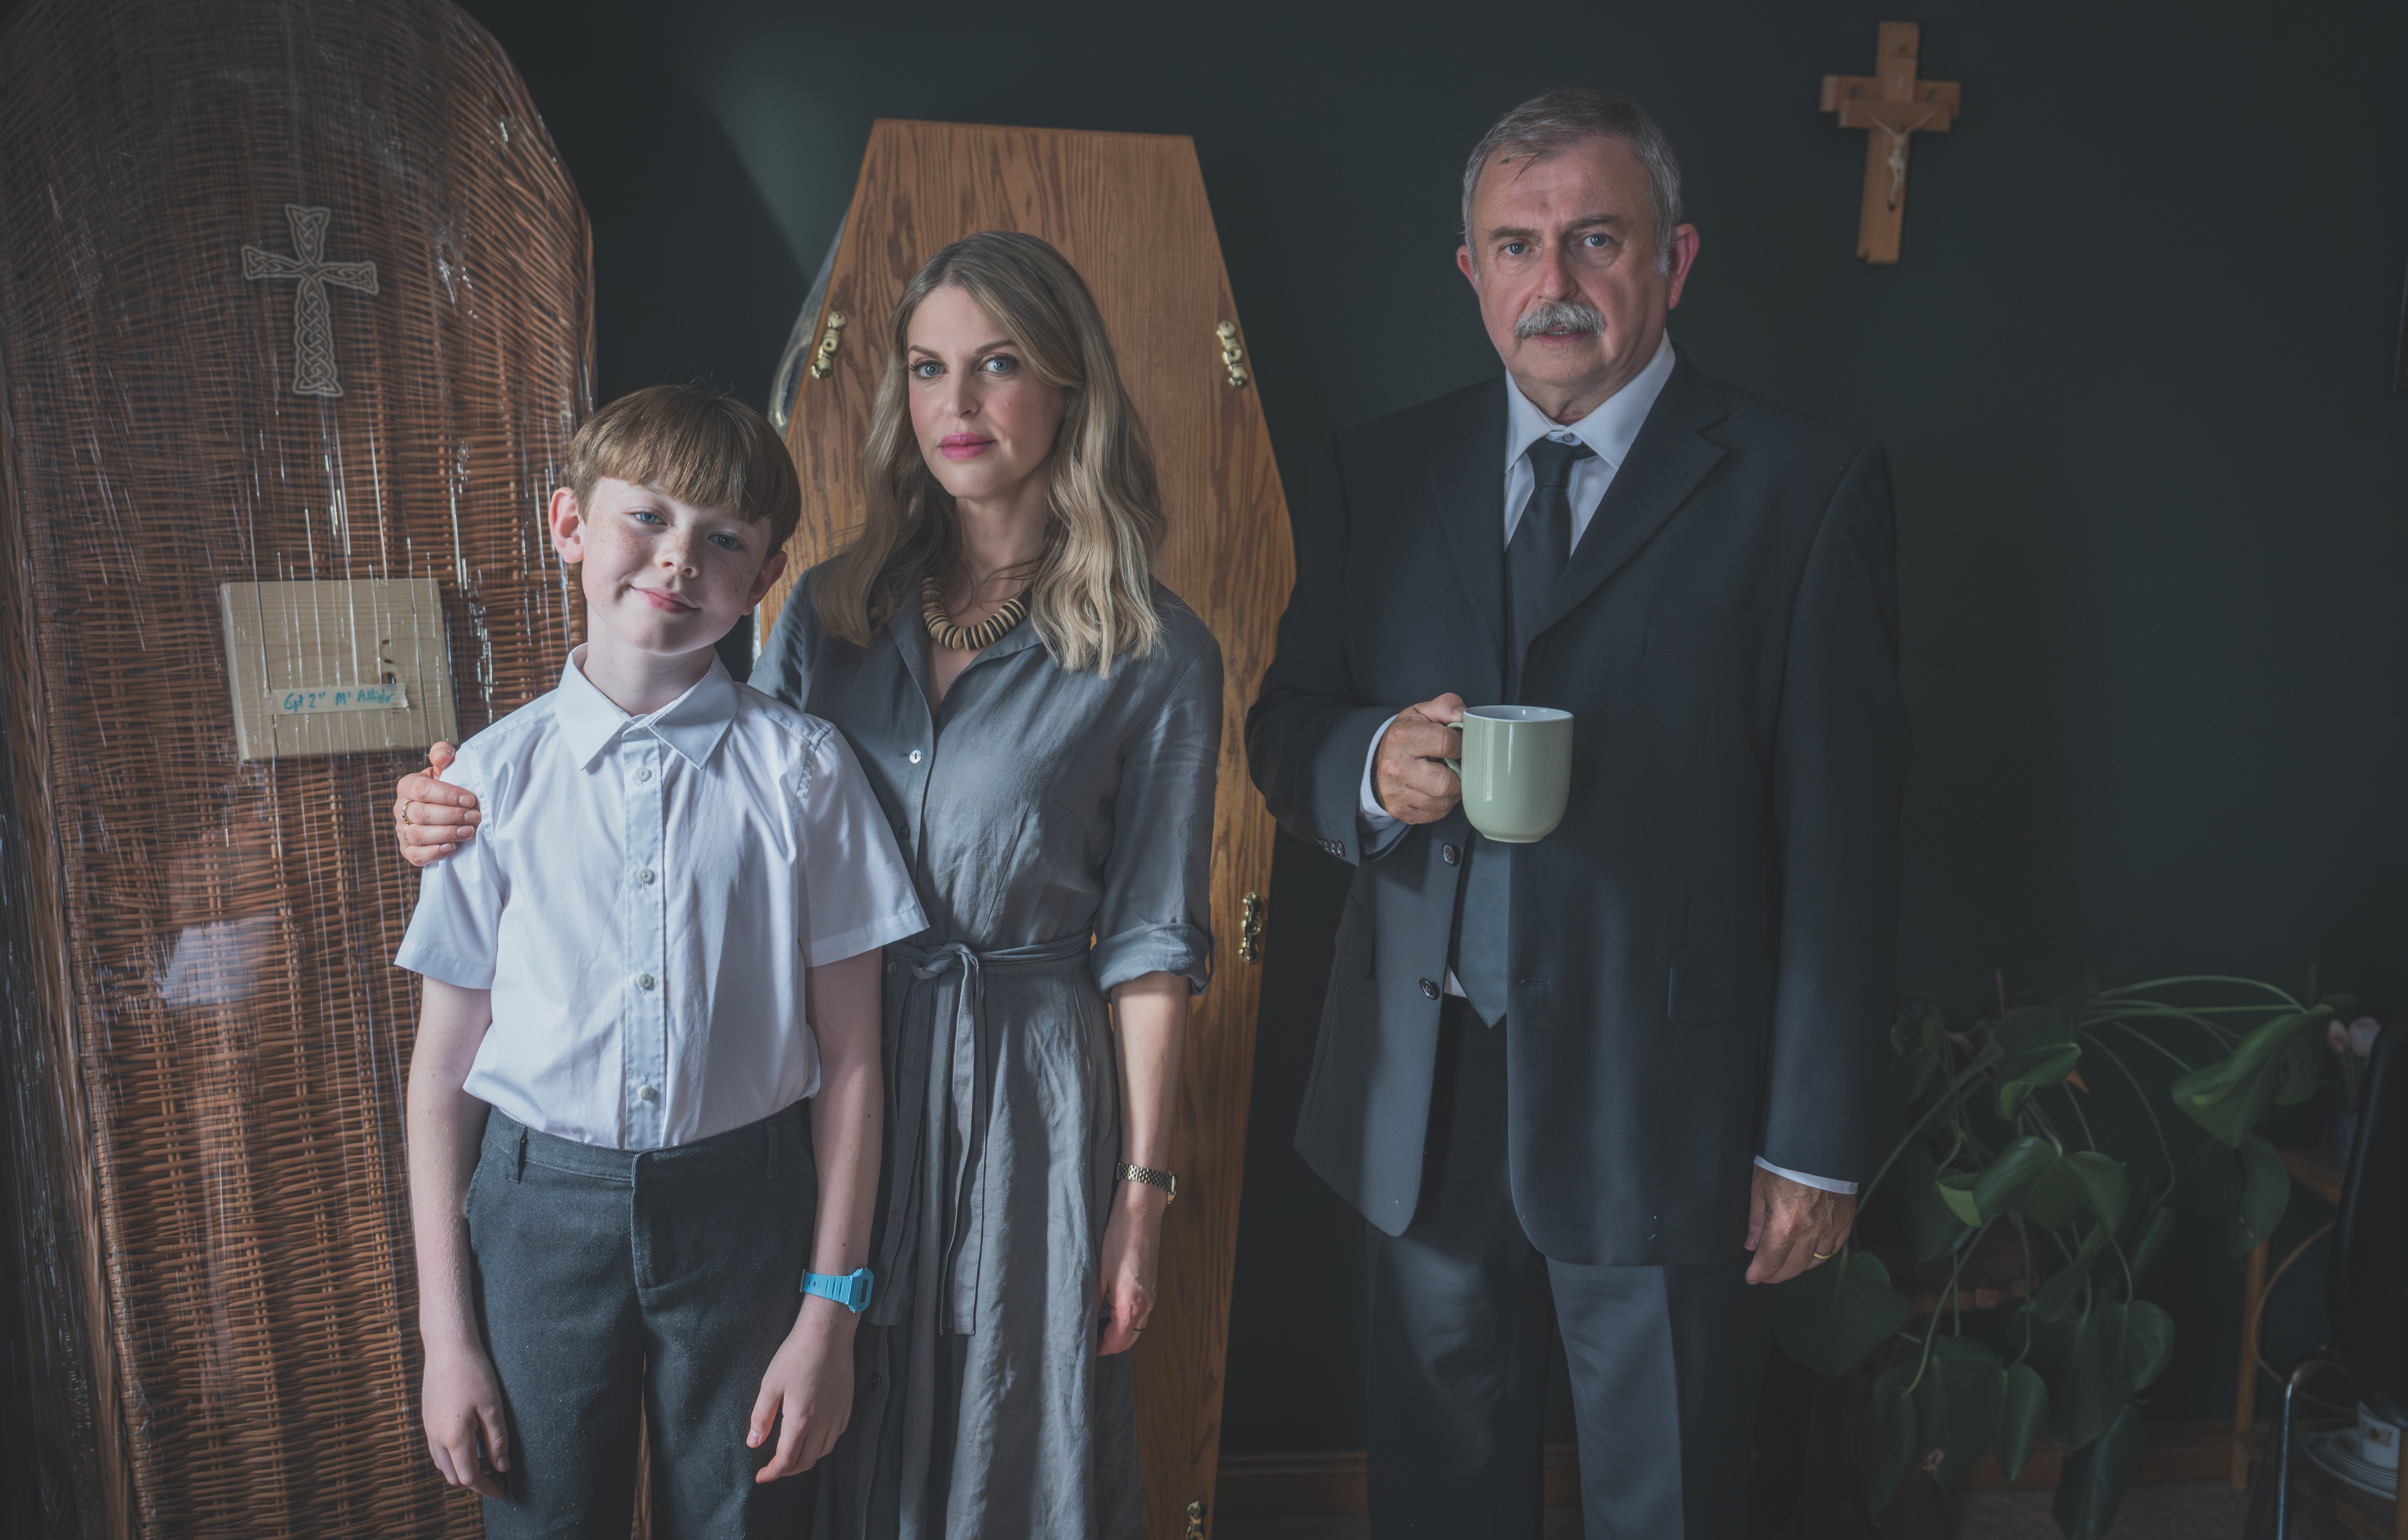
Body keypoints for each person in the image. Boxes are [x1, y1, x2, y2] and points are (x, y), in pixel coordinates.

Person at [396, 231, 1224, 1540]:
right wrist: (457, 800)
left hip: (1014, 1094)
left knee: (994, 1430)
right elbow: (689, 772)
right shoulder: (834, 610)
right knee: (802, 1458)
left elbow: (1153, 938)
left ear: (1072, 390)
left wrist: (1142, 1190)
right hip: (801, 1106)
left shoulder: (1154, 647)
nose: (957, 402)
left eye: (1000, 364)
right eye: (928, 367)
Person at [1245, 90, 1910, 1537]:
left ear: (1674, 259)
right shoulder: (1378, 471)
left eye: (1595, 240)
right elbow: (1284, 726)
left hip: (1669, 1115)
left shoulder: (1805, 487)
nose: (1553, 281)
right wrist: (1370, 760)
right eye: (1517, 245)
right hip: (1422, 1104)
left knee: (1669, 1504)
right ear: (1469, 271)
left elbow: (1843, 847)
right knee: (1436, 1507)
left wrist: (1812, 1143)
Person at [398, 384, 927, 1538]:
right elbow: (442, 1070)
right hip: (536, 1222)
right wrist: (447, 1336)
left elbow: (851, 1062)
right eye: (646, 517)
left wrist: (828, 1315)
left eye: (723, 539)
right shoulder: (483, 783)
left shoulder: (806, 775)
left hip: (749, 1215)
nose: (680, 559)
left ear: (764, 575)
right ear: (569, 525)